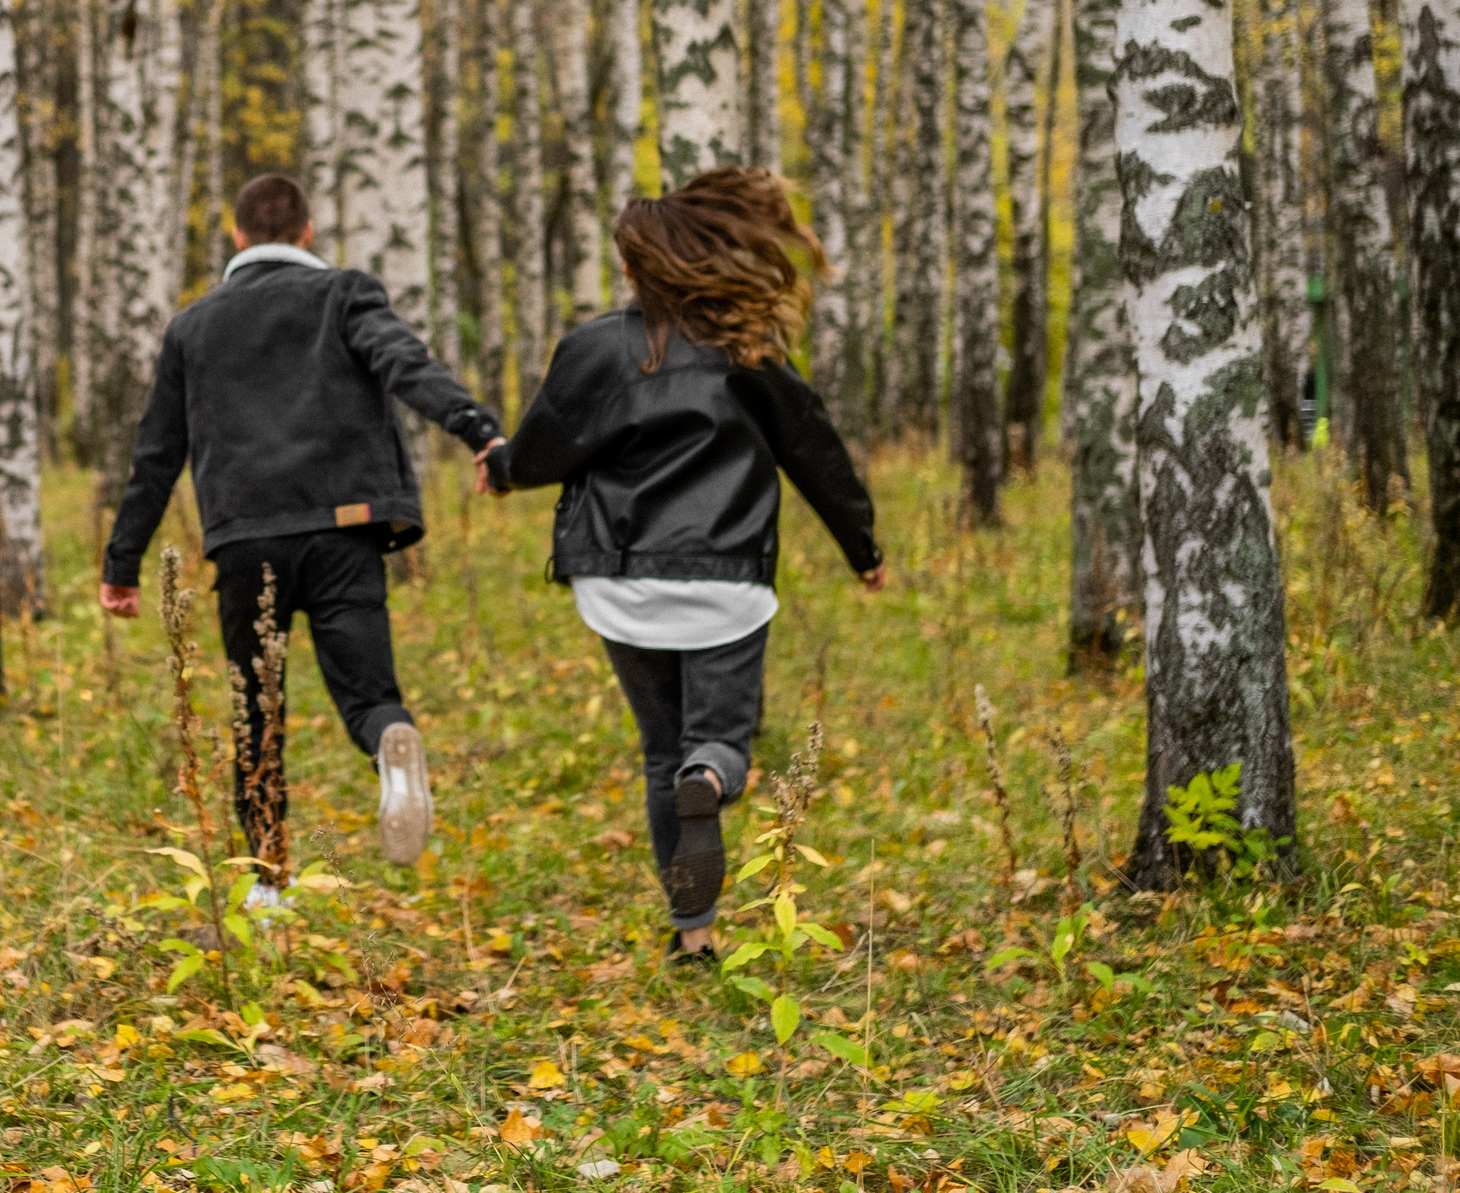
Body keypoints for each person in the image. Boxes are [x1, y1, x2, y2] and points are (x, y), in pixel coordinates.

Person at [485, 168, 883, 960]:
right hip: (724, 580)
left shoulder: (596, 348)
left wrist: (498, 468)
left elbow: (545, 444)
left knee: (660, 747)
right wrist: (861, 546)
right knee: (718, 742)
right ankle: (714, 776)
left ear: (639, 266)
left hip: (620, 581)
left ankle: (692, 933)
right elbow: (815, 454)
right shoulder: (749, 351)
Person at [101, 174, 506, 893]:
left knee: (257, 711)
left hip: (245, 537)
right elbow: (404, 363)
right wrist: (477, 428)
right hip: (344, 529)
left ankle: (268, 883)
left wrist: (122, 562)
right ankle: (389, 745)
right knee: (367, 689)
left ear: (237, 236)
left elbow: (157, 454)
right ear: (309, 232)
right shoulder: (345, 294)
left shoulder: (193, 326)